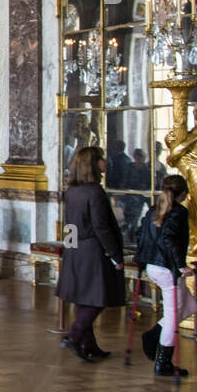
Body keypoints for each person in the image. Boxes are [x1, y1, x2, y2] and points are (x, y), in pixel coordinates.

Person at [55, 146, 125, 361]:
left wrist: (71, 249)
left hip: (76, 246)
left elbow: (70, 224)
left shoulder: (73, 190)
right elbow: (101, 227)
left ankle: (89, 344)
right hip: (93, 249)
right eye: (101, 158)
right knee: (97, 298)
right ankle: (74, 336)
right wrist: (115, 255)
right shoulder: (94, 191)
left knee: (84, 297)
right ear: (93, 164)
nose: (105, 162)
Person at [136, 174, 194, 377]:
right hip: (167, 269)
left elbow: (139, 233)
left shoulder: (154, 209)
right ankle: (163, 363)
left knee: (189, 306)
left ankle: (153, 335)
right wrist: (180, 266)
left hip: (154, 266)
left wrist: (140, 259)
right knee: (173, 317)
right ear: (184, 193)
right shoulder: (179, 212)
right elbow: (169, 240)